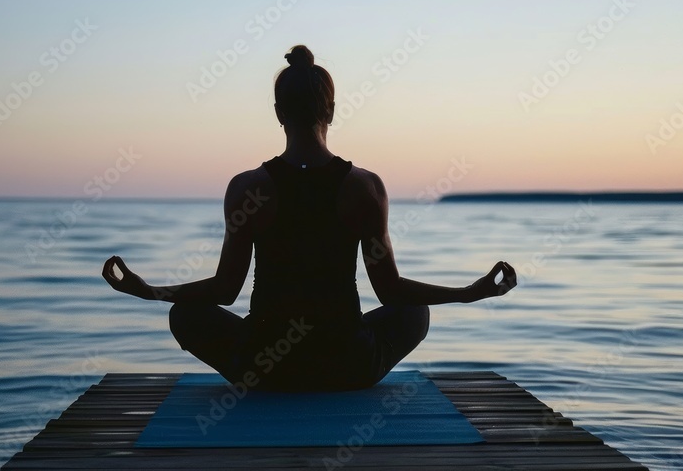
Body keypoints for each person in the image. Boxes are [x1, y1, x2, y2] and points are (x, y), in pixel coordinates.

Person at [102, 45, 517, 392]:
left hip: (264, 368)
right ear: (332, 111)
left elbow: (225, 290)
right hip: (347, 366)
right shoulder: (365, 187)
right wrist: (467, 292)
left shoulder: (247, 188)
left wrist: (152, 291)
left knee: (184, 314)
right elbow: (391, 292)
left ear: (278, 112)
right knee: (416, 311)